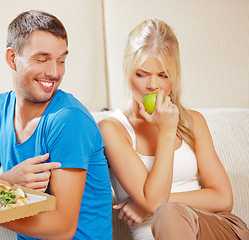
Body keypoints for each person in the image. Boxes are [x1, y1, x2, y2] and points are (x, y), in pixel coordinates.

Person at [99, 18, 249, 240]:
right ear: (128, 71)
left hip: (213, 228)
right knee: (166, 213)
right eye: (142, 74)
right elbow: (155, 202)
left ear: (174, 76)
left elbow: (223, 198)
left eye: (163, 75)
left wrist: (149, 206)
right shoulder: (113, 129)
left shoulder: (192, 121)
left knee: (166, 212)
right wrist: (167, 133)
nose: (153, 85)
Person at [0, 10, 112, 240]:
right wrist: (5, 183)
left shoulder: (69, 120)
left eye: (61, 60)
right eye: (42, 59)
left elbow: (62, 228)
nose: (54, 72)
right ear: (11, 58)